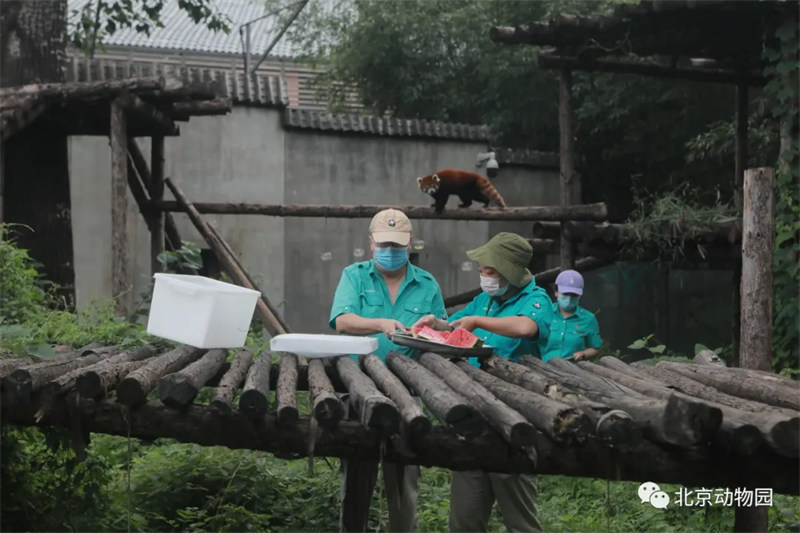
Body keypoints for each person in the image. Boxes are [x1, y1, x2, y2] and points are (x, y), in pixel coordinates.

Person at [413, 232, 552, 533]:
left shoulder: (536, 299)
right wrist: (435, 324)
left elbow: (526, 327)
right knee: (464, 520)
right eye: (480, 270)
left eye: (489, 271)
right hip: (472, 416)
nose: (483, 276)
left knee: (520, 521)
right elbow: (455, 323)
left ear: (510, 271)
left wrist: (478, 322)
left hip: (514, 420)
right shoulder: (484, 300)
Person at [329, 207, 446, 533]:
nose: (390, 252)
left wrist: (434, 326)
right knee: (355, 479)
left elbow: (441, 334)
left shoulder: (426, 284)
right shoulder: (354, 275)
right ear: (371, 243)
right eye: (384, 245)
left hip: (408, 394)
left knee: (404, 485)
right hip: (360, 389)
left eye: (397, 246)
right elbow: (342, 321)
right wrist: (379, 323)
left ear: (409, 244)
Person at [541, 269, 602, 362]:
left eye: (574, 295)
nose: (569, 298)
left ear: (580, 296)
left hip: (573, 371)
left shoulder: (588, 319)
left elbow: (595, 348)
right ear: (556, 292)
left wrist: (583, 354)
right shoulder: (543, 313)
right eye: (565, 294)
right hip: (541, 369)